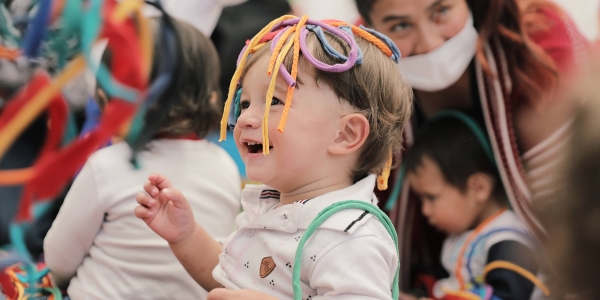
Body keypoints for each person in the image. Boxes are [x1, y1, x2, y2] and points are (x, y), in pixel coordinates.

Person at [134, 16, 413, 299]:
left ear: (345, 135)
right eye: (244, 104)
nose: (245, 119)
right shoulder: (271, 208)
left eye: (274, 102)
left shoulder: (348, 237)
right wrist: (187, 236)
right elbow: (229, 280)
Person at [355, 0, 589, 290]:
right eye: (400, 25)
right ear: (369, 28)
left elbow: (580, 198)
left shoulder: (540, 43)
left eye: (441, 11)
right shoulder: (356, 73)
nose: (430, 43)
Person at [43, 15, 242, 299]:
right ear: (211, 96)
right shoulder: (227, 167)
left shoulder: (107, 165)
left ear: (107, 100)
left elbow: (57, 261)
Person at [403, 112, 549, 300]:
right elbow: (445, 283)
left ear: (478, 188)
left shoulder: (509, 241)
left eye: (431, 198)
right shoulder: (463, 238)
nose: (425, 211)